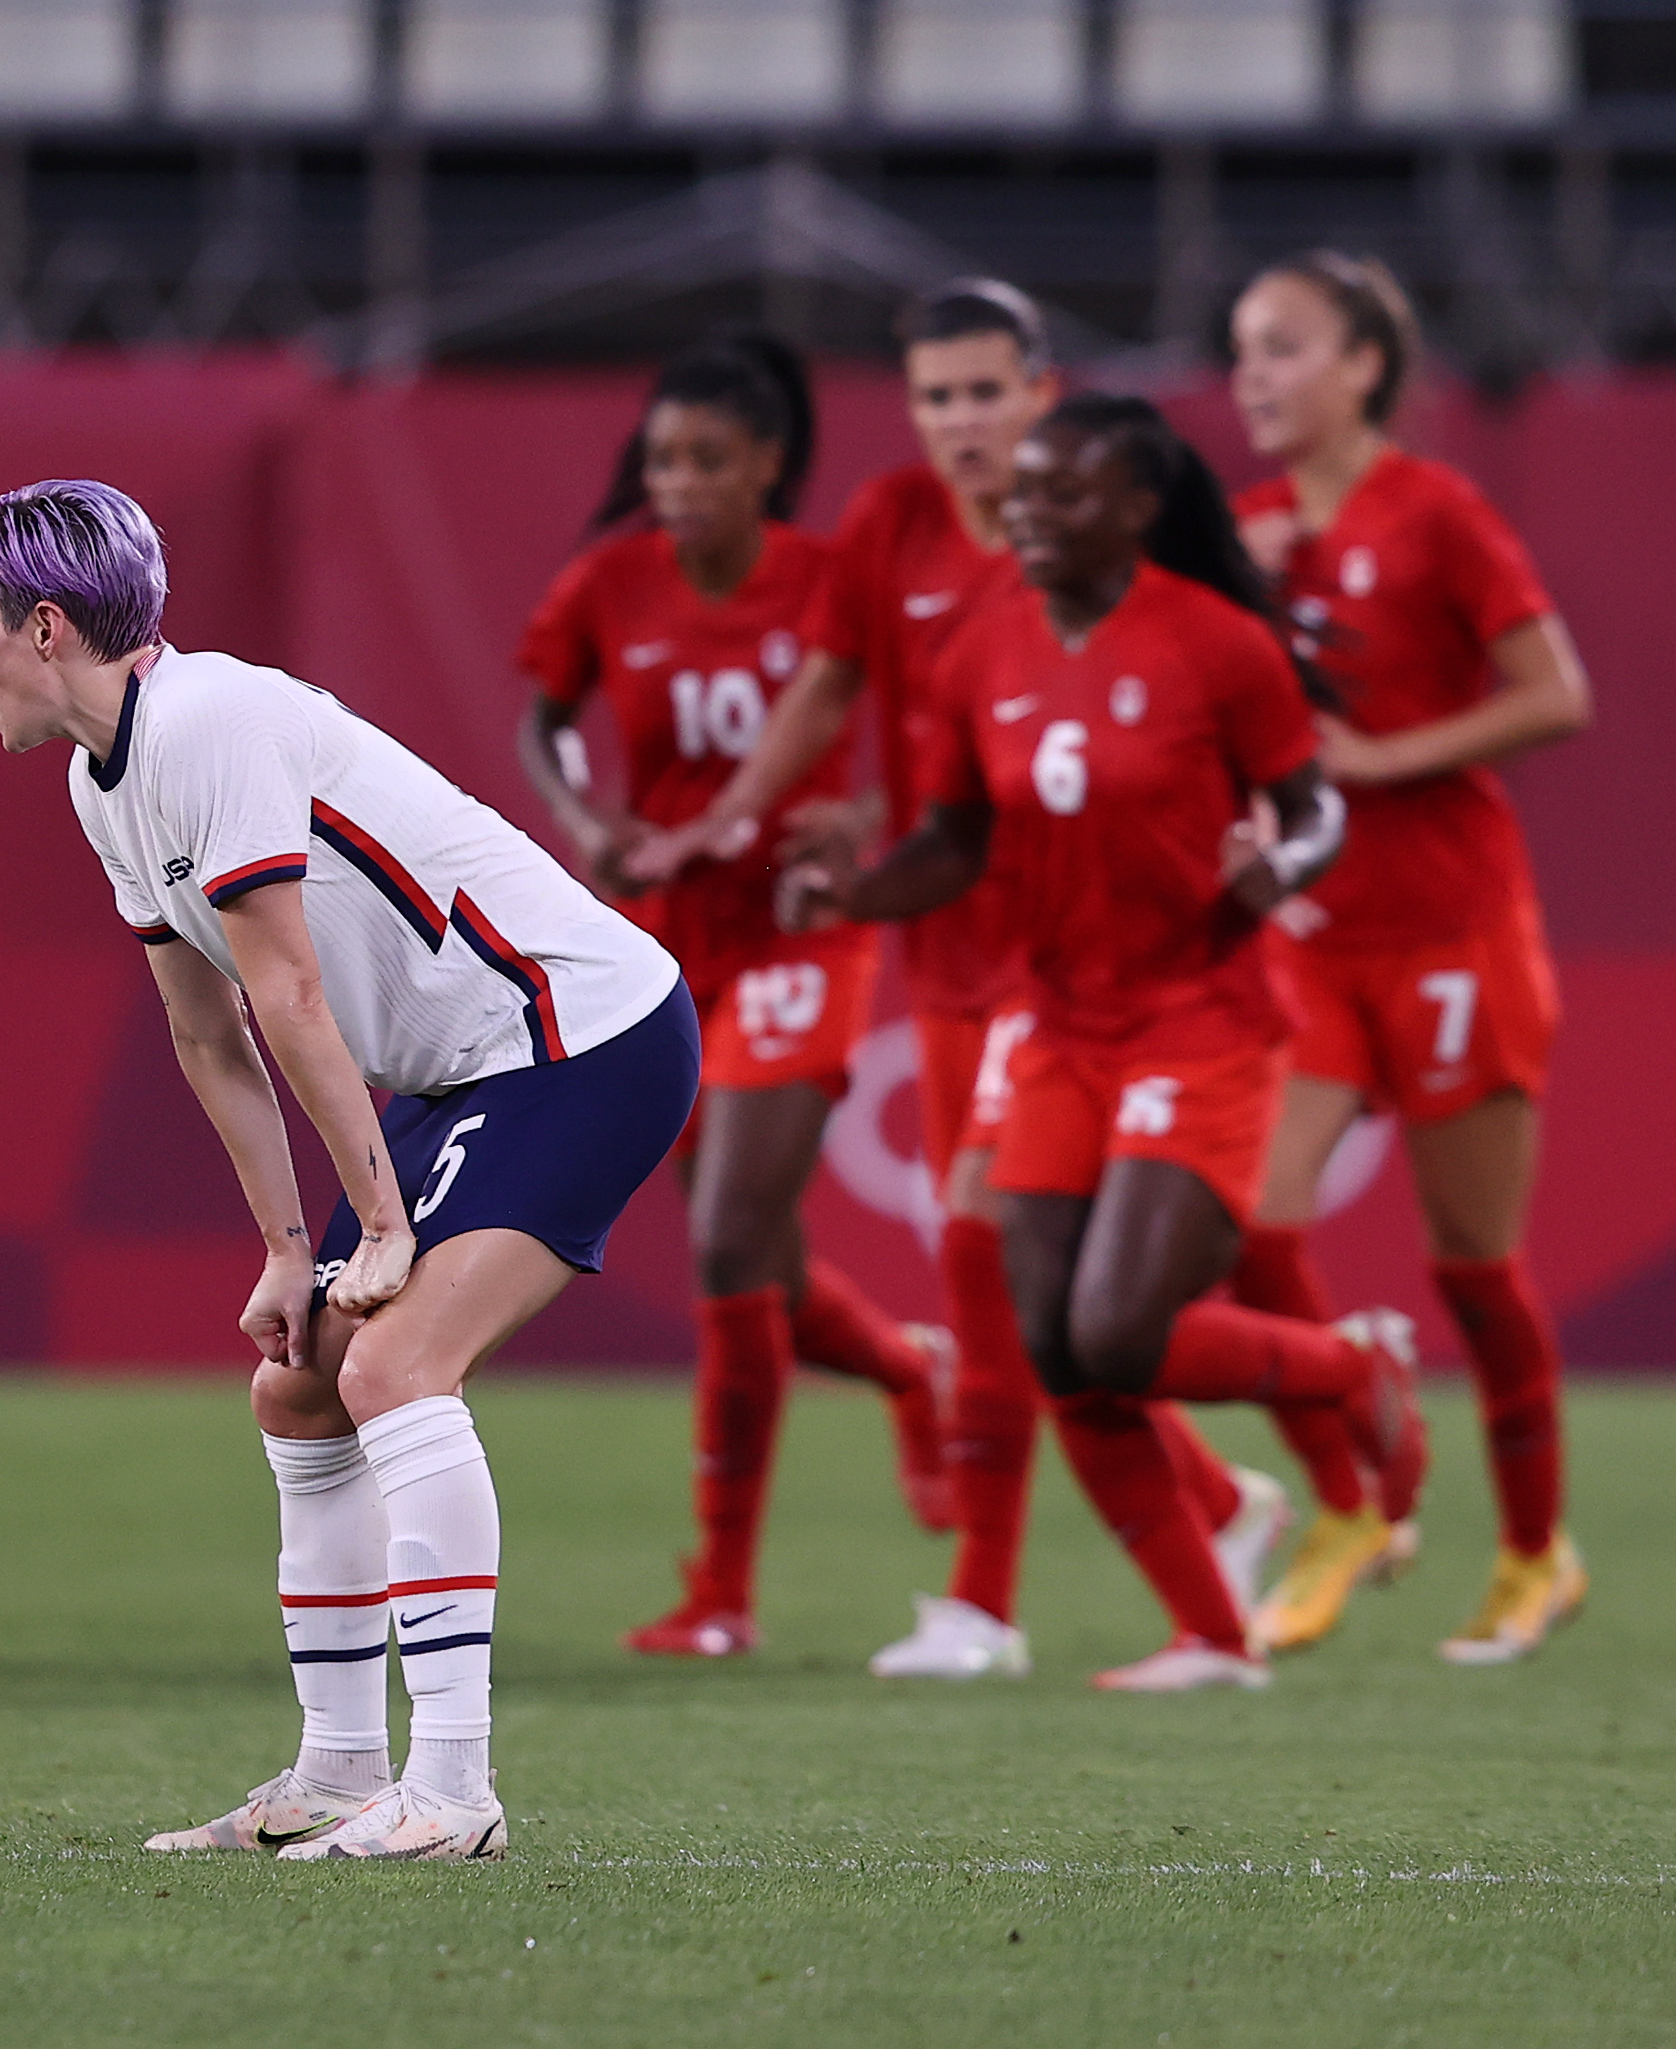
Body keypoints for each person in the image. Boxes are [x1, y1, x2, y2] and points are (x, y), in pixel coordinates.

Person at [0, 478, 695, 1858]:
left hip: (580, 1032)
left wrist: (375, 1221)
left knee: (393, 1367)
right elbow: (203, 1025)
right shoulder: (97, 779)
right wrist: (293, 1249)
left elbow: (286, 991)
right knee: (298, 1385)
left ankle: (455, 1790)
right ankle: (343, 1773)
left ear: (46, 627)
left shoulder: (210, 717)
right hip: (464, 1066)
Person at [627, 283, 1285, 1682]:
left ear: (1041, 391)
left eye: (986, 392)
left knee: (1003, 1268)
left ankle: (985, 1601)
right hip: (950, 950)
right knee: (1016, 1284)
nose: (962, 423)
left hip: (1080, 963)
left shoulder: (1086, 534)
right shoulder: (890, 529)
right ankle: (1223, 1503)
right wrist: (733, 819)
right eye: (935, 397)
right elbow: (828, 691)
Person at [779, 394, 1424, 1692]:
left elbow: (1315, 814)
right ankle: (1211, 1636)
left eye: (1062, 493)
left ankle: (1345, 1371)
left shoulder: (1217, 646)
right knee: (1053, 1340)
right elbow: (957, 841)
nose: (1028, 512)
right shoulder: (981, 651)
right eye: (1022, 492)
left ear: (1137, 507)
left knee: (1116, 1332)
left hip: (1201, 1021)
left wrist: (1269, 870)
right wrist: (851, 891)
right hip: (1063, 1021)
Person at [508, 333, 956, 1661]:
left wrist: (866, 819)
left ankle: (720, 1592)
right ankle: (905, 1367)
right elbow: (542, 713)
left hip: (803, 935)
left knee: (722, 1243)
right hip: (663, 945)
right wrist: (582, 814)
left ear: (769, 464)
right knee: (747, 1243)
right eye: (660, 459)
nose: (679, 482)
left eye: (707, 458)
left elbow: (920, 735)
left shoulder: (831, 584)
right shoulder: (610, 583)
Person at [1224, 253, 1595, 1663]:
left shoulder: (1438, 515)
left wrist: (1381, 756)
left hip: (1453, 933)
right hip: (1315, 937)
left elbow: (1557, 693)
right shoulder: (1245, 530)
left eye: (1281, 347)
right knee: (1250, 1223)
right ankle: (1351, 1491)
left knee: (1473, 1268)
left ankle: (1528, 1548)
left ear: (1362, 365)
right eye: (1242, 349)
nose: (1251, 373)